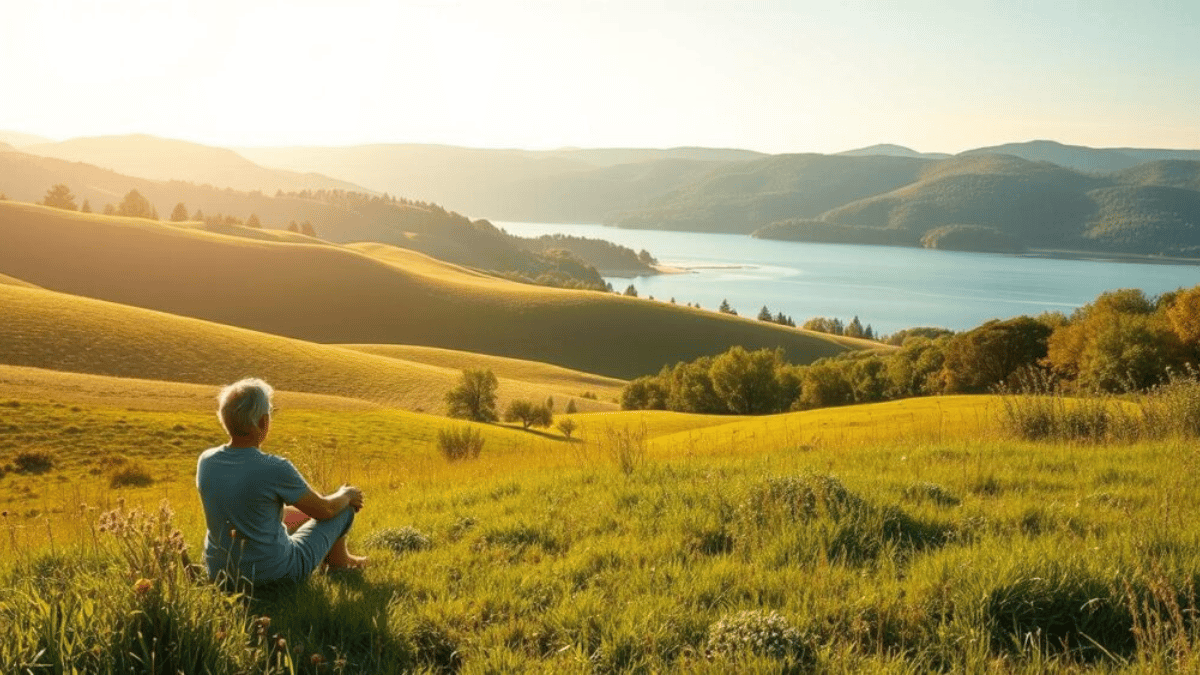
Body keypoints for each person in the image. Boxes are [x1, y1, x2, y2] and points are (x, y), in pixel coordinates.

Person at [196, 378, 367, 586]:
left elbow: (253, 509)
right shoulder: (275, 468)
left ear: (224, 420)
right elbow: (325, 511)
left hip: (221, 574)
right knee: (342, 508)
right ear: (263, 422)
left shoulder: (206, 460)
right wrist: (346, 494)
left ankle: (342, 559)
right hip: (275, 573)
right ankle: (340, 565)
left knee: (303, 510)